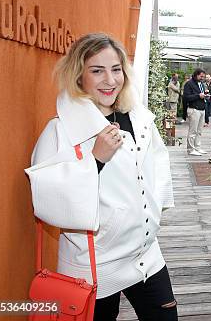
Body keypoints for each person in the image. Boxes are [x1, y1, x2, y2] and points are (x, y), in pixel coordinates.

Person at [25, 33, 176, 320]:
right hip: (95, 264)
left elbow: (157, 164)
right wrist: (95, 160)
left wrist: (153, 212)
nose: (110, 80)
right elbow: (45, 196)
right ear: (78, 76)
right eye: (97, 70)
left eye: (116, 69)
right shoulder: (60, 130)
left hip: (146, 254)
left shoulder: (139, 117)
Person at [183, 68, 209, 156]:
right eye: (201, 76)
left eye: (203, 77)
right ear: (196, 75)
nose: (202, 78)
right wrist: (198, 95)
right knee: (193, 131)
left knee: (199, 131)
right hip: (194, 109)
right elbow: (186, 97)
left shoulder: (201, 84)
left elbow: (201, 95)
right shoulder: (189, 84)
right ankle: (190, 149)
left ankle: (197, 147)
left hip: (202, 109)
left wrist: (205, 95)